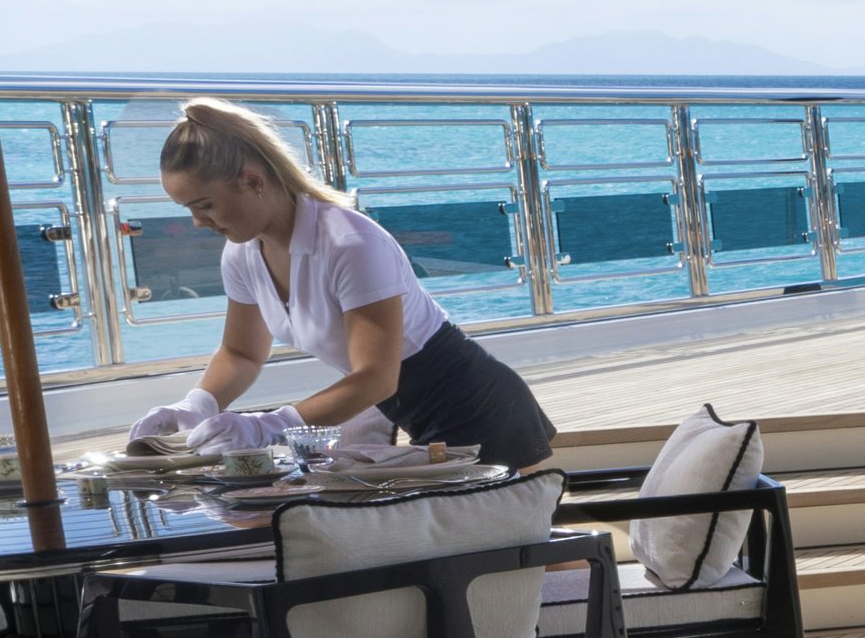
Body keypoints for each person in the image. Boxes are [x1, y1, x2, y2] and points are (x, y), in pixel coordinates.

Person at [133, 98, 560, 470]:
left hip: (477, 407)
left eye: (205, 205)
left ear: (253, 181)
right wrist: (198, 404)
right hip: (396, 410)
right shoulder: (242, 253)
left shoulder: (350, 244)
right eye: (188, 209)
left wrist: (268, 426)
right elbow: (241, 353)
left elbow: (376, 377)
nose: (197, 222)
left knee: (508, 538)